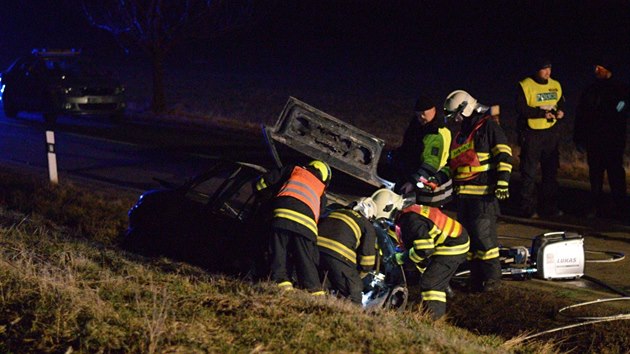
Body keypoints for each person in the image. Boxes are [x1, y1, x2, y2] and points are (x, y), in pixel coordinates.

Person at [443, 90, 512, 292]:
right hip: (464, 196)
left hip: (483, 196)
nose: (454, 118)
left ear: (465, 108)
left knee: (485, 239)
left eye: (455, 113)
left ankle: (492, 280)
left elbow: (504, 156)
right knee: (470, 241)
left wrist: (503, 182)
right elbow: (454, 163)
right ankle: (476, 278)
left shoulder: (488, 127)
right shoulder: (462, 133)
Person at [371, 188, 469, 320]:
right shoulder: (408, 213)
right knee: (429, 272)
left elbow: (425, 250)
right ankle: (444, 286)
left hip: (453, 246)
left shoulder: (411, 221)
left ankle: (434, 320)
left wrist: (401, 258)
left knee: (430, 283)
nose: (386, 222)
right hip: (448, 239)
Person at [255, 160, 331, 295]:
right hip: (307, 225)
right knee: (306, 259)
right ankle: (315, 292)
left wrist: (266, 199)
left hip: (282, 215)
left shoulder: (293, 169)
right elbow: (320, 212)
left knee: (278, 251)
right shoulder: (321, 191)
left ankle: (281, 282)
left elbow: (262, 184)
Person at [574, 61, 630, 219]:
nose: (596, 70)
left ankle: (621, 208)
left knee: (616, 175)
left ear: (608, 70)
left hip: (613, 140)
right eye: (596, 67)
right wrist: (578, 137)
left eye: (601, 67)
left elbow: (623, 108)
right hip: (594, 140)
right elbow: (581, 114)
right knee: (595, 176)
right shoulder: (590, 89)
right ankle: (595, 207)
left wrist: (617, 111)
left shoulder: (620, 89)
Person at [516, 58, 566, 218]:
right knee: (529, 172)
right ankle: (528, 208)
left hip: (551, 133)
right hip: (532, 133)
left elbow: (561, 103)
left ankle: (550, 206)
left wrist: (560, 112)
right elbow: (522, 108)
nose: (547, 72)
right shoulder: (525, 85)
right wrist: (541, 113)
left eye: (549, 69)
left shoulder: (556, 85)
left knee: (550, 172)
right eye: (544, 69)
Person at [387, 94, 453, 207]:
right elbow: (409, 148)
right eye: (418, 115)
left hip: (431, 190)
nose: (421, 117)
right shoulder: (417, 126)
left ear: (434, 110)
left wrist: (412, 182)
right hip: (415, 182)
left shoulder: (437, 132)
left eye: (424, 114)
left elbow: (431, 164)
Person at [317, 197, 377, 304]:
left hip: (315, 252)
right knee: (354, 292)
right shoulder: (367, 225)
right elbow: (367, 262)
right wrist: (358, 276)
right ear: (369, 215)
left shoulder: (335, 212)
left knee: (318, 286)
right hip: (338, 257)